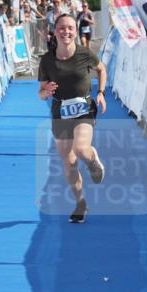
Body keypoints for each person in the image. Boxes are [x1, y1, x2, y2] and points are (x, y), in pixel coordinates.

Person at [37, 14, 107, 224]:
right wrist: (46, 92)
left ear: (75, 32)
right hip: (60, 113)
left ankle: (94, 163)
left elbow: (101, 69)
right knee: (68, 164)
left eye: (69, 28)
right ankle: (80, 203)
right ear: (55, 31)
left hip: (84, 109)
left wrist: (101, 92)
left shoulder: (85, 54)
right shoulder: (47, 60)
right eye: (61, 28)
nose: (65, 32)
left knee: (81, 149)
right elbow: (40, 93)